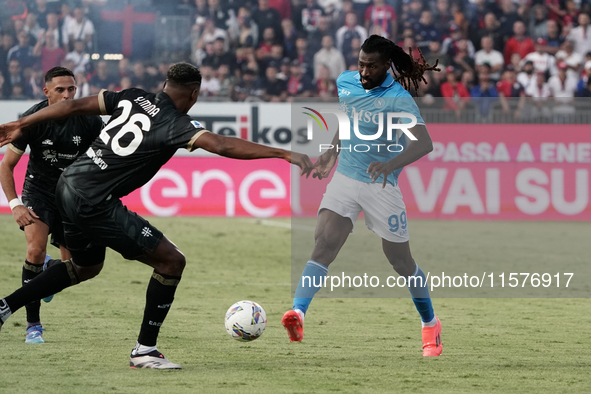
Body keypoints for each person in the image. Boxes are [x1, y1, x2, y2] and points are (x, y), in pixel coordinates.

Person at [0, 62, 313, 369]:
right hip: (93, 201)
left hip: (67, 186)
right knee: (171, 261)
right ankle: (145, 350)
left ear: (165, 84)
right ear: (194, 95)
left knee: (86, 267)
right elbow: (220, 144)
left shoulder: (132, 96)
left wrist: (22, 123)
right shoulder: (176, 124)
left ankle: (5, 306)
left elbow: (71, 108)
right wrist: (285, 153)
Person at [281, 35, 443, 357]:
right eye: (361, 64)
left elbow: (423, 143)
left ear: (386, 66)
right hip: (345, 178)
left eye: (372, 66)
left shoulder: (398, 99)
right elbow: (348, 119)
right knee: (323, 245)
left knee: (401, 262)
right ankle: (298, 314)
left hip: (381, 187)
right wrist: (330, 152)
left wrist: (390, 164)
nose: (364, 71)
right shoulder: (346, 82)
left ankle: (430, 324)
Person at [0, 67, 103, 344]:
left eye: (71, 89)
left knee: (74, 268)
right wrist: (15, 205)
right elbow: (6, 166)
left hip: (72, 195)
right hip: (39, 191)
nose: (67, 95)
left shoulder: (90, 121)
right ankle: (33, 325)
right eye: (60, 90)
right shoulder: (32, 120)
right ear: (46, 92)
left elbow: (103, 164)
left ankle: (49, 269)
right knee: (35, 250)